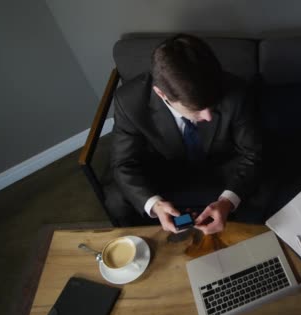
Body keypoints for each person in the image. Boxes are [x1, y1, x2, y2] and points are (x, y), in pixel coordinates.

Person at [107, 33, 261, 235]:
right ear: (162, 94)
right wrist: (154, 204)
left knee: (263, 189)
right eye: (196, 109)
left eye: (211, 105)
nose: (207, 116)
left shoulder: (236, 90)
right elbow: (123, 163)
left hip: (221, 165)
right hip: (163, 169)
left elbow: (253, 154)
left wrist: (227, 201)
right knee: (114, 198)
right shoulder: (129, 101)